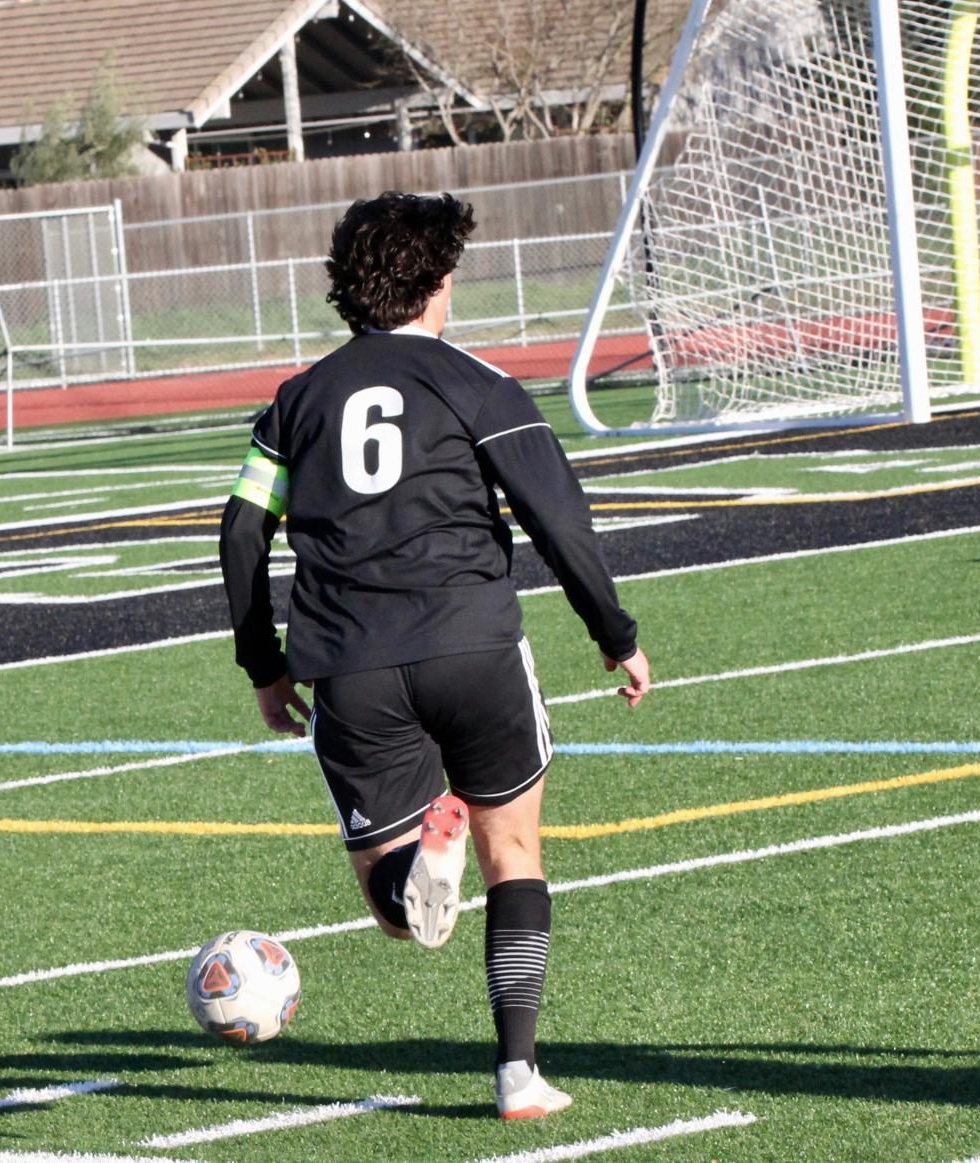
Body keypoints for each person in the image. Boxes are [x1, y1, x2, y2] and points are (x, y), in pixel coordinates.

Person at [219, 190, 650, 1119]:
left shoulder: (294, 402)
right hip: (474, 647)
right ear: (439, 282)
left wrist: (265, 663)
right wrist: (615, 633)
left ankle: (419, 862)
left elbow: (242, 530)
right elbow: (557, 515)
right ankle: (519, 1073)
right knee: (515, 852)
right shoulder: (477, 384)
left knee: (397, 915)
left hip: (351, 665)